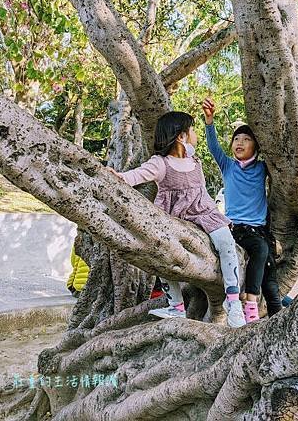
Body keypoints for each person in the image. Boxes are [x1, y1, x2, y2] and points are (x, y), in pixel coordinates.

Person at [109, 111, 246, 329]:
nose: (195, 134)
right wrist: (120, 177)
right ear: (181, 136)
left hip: (204, 211)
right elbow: (138, 175)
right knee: (163, 254)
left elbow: (203, 169)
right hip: (174, 215)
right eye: (192, 130)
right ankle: (176, 305)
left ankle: (233, 300)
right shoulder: (160, 163)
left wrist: (210, 121)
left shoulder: (193, 158)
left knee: (226, 243)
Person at [202, 98, 282, 323]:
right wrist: (210, 121)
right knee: (259, 250)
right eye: (236, 139)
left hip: (261, 229)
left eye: (246, 139)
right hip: (238, 228)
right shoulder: (228, 165)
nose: (239, 143)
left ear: (256, 145)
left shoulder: (262, 168)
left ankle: (277, 317)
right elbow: (213, 147)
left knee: (271, 279)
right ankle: (250, 302)